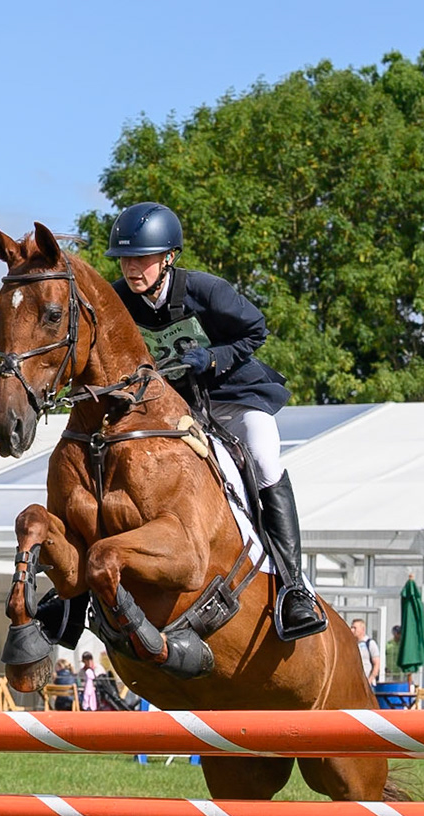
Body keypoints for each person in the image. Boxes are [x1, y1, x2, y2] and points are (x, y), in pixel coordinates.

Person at [106, 201, 323, 641]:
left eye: (143, 259)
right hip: (176, 410)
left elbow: (256, 329)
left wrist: (215, 358)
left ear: (168, 258)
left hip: (234, 398)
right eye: (126, 259)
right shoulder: (120, 301)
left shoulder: (205, 290)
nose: (132, 268)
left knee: (263, 459)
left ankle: (294, 586)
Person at [350, 619, 383, 685]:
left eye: (355, 628)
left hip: (367, 683)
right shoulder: (350, 644)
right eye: (351, 627)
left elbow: (377, 664)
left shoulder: (370, 643)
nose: (352, 630)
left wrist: (369, 680)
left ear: (362, 629)